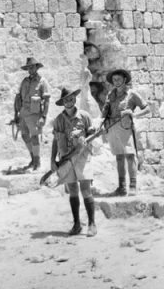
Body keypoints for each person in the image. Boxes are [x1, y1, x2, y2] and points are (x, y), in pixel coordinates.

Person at [50, 87, 97, 237]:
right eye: (66, 100)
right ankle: (77, 224)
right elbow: (55, 141)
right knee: (72, 190)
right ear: (62, 102)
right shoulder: (58, 120)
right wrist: (52, 159)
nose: (69, 102)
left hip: (83, 157)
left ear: (75, 99)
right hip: (66, 158)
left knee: (85, 189)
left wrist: (86, 137)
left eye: (71, 99)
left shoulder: (84, 116)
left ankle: (91, 224)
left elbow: (92, 133)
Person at [100, 68, 149, 196]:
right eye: (114, 80)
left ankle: (133, 186)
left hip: (125, 128)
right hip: (112, 127)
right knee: (119, 157)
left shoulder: (132, 94)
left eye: (119, 79)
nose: (116, 82)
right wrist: (102, 124)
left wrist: (134, 113)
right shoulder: (111, 95)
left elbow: (147, 108)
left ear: (124, 80)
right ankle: (121, 187)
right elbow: (105, 112)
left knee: (130, 156)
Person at [15, 57, 50, 171]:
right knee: (25, 136)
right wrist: (16, 113)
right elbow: (18, 97)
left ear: (36, 67)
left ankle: (37, 161)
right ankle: (32, 159)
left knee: (34, 137)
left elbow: (47, 100)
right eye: (28, 67)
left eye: (32, 67)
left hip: (35, 114)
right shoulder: (25, 81)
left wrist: (44, 116)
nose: (30, 69)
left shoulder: (42, 81)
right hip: (23, 113)